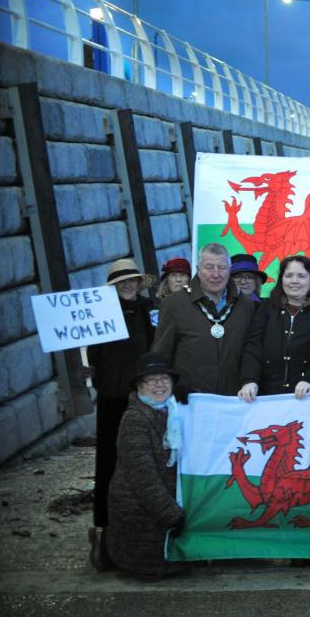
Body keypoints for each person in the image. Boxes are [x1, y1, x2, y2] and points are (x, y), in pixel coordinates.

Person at [85, 258, 158, 571]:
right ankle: (102, 534)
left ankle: (145, 534)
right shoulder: (97, 314)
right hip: (112, 397)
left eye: (132, 280)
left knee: (147, 460)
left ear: (140, 283)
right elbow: (87, 352)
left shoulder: (148, 311)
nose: (128, 285)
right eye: (121, 282)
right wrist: (87, 372)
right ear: (113, 287)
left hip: (142, 397)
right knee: (108, 463)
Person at [105, 353, 186, 580]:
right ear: (140, 386)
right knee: (153, 571)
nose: (159, 385)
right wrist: (172, 515)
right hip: (141, 511)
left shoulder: (175, 413)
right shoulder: (135, 419)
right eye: (152, 380)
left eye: (164, 379)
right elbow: (143, 477)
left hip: (166, 504)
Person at [151, 242, 256, 396]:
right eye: (209, 267)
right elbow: (161, 355)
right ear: (198, 270)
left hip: (235, 399)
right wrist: (169, 389)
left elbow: (251, 351)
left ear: (229, 271)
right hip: (190, 399)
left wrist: (249, 381)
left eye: (221, 267)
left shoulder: (245, 305)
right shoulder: (174, 304)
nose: (216, 274)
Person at [237, 255, 310, 402]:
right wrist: (249, 379)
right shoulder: (267, 308)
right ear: (282, 280)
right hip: (266, 395)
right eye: (289, 275)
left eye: (301, 276)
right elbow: (253, 345)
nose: (294, 281)